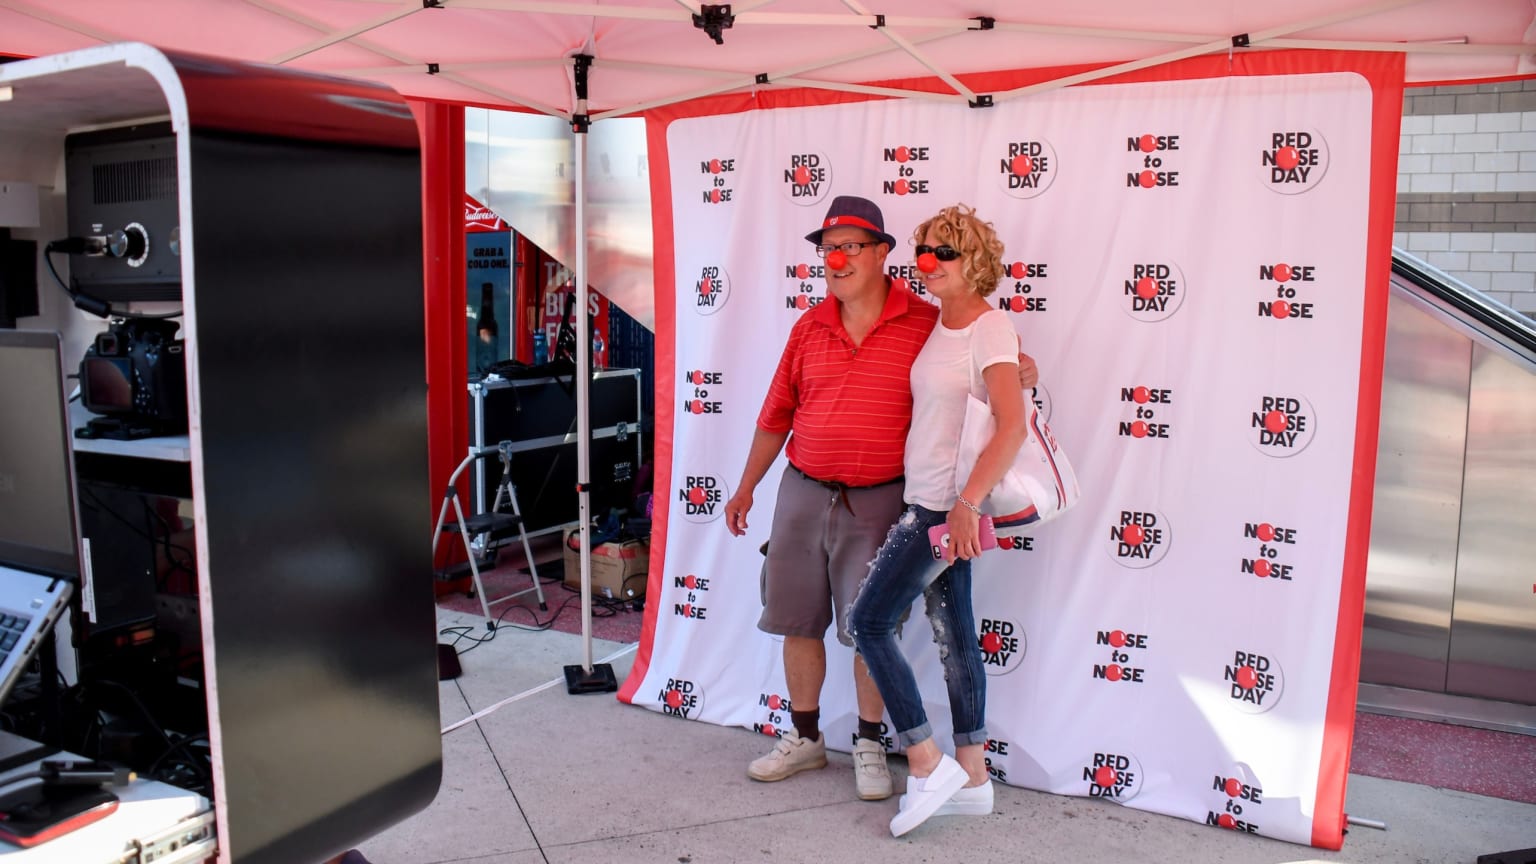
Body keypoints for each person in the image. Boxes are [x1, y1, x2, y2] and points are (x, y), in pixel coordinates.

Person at [724, 196, 1036, 804]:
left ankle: (873, 743)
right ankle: (807, 737)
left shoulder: (927, 317)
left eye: (850, 247)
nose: (835, 260)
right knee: (797, 617)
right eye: (826, 249)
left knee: (871, 624)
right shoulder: (807, 326)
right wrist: (745, 486)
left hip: (884, 499)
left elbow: (985, 360)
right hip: (804, 488)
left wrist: (1021, 367)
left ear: (881, 254)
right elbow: (774, 415)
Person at [847, 204, 1031, 837]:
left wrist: (967, 504)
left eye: (943, 253)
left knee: (868, 622)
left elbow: (1013, 425)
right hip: (925, 500)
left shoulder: (989, 327)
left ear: (974, 260)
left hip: (946, 508)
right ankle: (974, 778)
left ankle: (926, 761)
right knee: (954, 635)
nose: (928, 264)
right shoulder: (941, 325)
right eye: (921, 252)